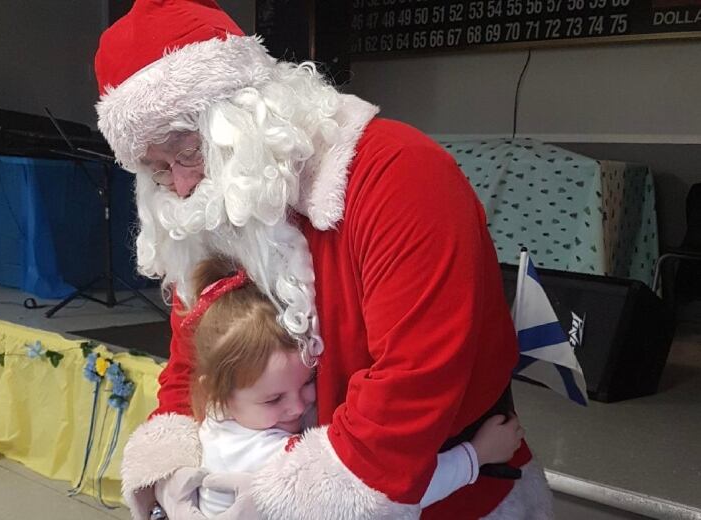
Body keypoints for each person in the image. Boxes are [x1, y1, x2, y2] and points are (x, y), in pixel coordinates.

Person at [94, 1, 555, 518]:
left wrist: (283, 501)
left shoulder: (400, 175)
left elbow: (414, 384)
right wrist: (173, 471)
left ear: (247, 115)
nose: (181, 186)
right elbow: (197, 360)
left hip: (445, 497)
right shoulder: (208, 204)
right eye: (158, 170)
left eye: (187, 153)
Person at [151, 257, 525, 519]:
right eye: (274, 398)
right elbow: (381, 494)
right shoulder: (268, 459)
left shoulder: (226, 421)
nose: (298, 407)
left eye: (308, 383)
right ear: (218, 395)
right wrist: (475, 456)